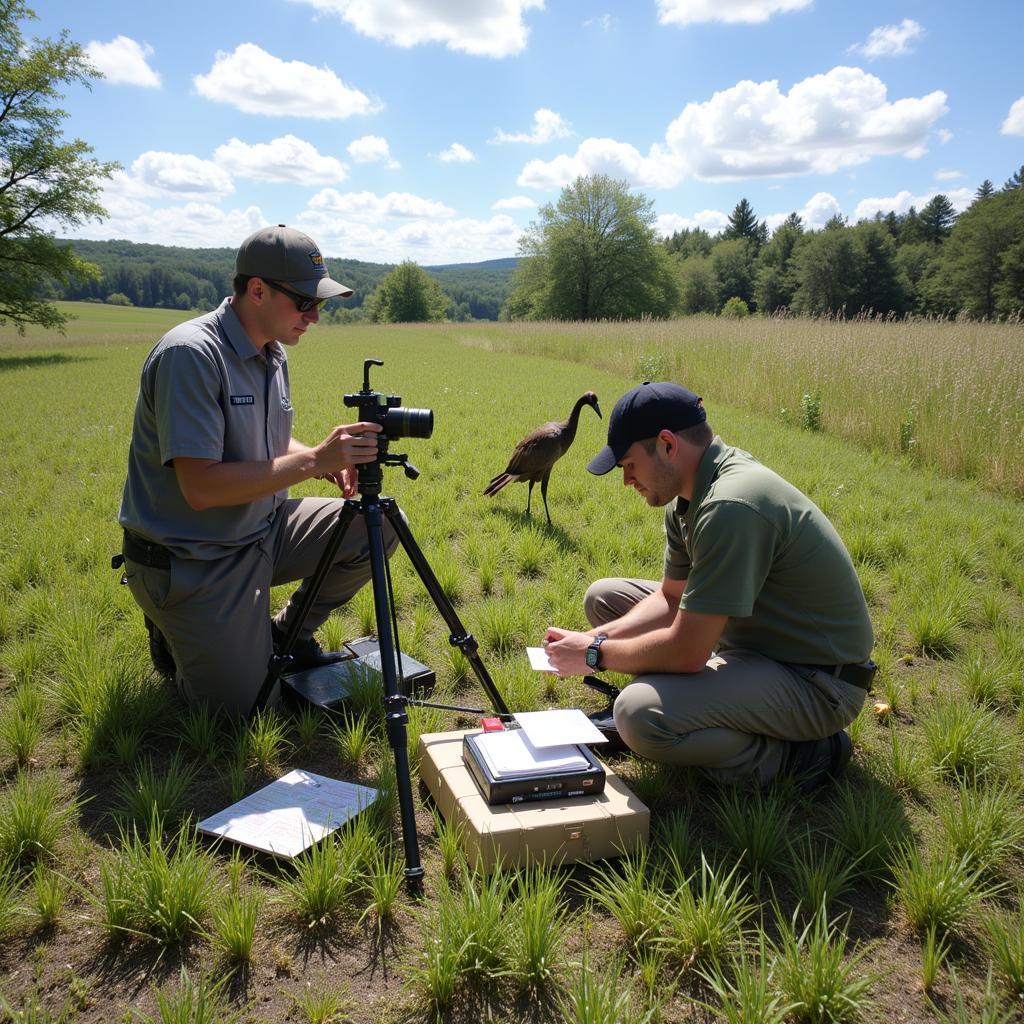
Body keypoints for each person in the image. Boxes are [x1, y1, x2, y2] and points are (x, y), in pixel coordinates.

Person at [116, 224, 395, 716]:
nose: (313, 317)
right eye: (304, 303)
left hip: (260, 530)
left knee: (375, 525)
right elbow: (199, 486)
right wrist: (313, 459)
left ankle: (283, 635)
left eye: (320, 304)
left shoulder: (272, 351)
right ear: (258, 290)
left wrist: (316, 461)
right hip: (195, 556)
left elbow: (262, 437)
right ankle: (175, 637)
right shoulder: (191, 355)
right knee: (246, 709)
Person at [544, 381, 874, 792]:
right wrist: (594, 637)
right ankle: (706, 706)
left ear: (667, 444)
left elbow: (687, 652)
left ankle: (799, 756)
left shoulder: (730, 505)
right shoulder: (689, 493)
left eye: (629, 464)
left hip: (816, 681)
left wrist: (595, 654)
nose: (626, 480)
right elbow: (670, 598)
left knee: (637, 715)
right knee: (604, 599)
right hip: (753, 642)